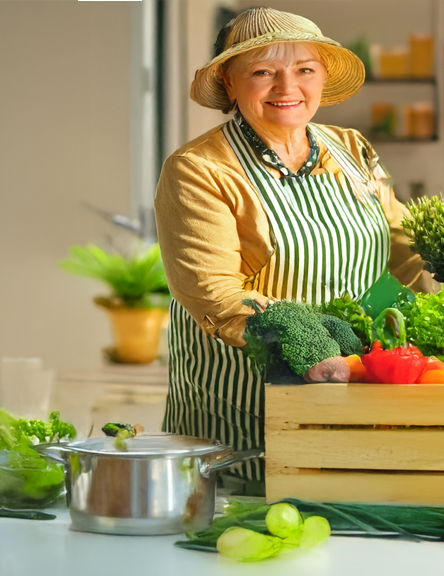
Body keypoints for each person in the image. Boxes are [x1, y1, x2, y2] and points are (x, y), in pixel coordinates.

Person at [154, 7, 428, 491]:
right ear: (230, 82)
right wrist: (315, 343)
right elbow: (213, 292)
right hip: (242, 422)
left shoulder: (352, 149)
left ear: (322, 78)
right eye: (263, 72)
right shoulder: (200, 170)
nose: (287, 88)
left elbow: (404, 248)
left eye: (304, 69)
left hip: (356, 404)